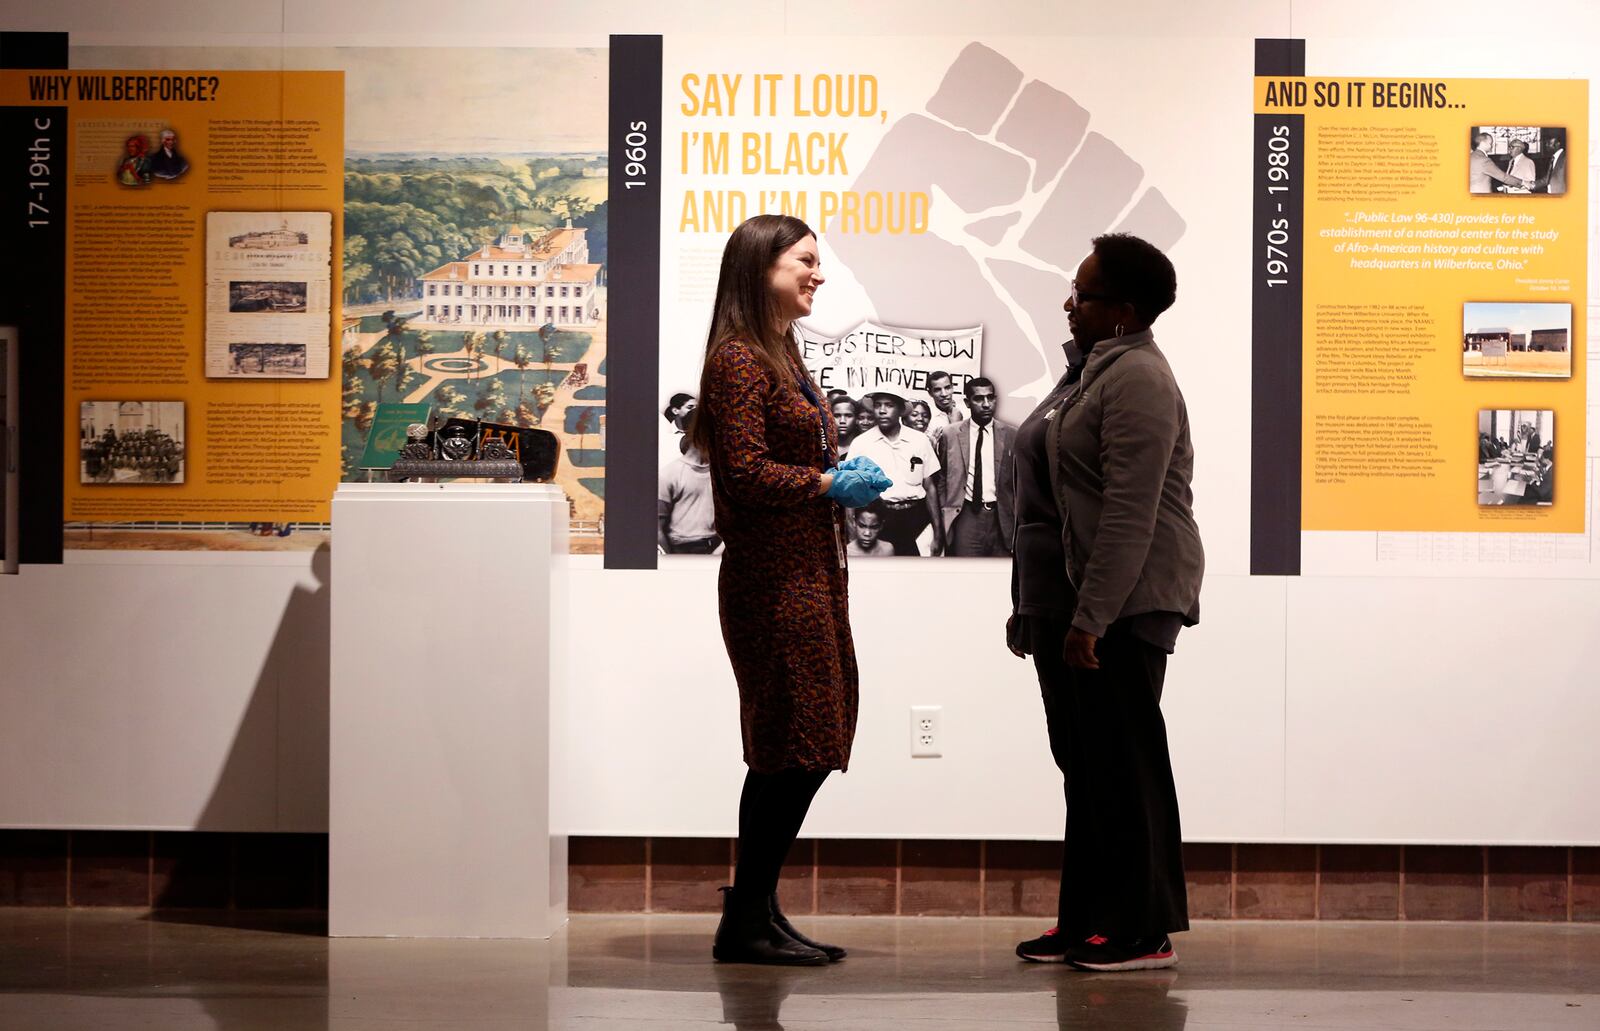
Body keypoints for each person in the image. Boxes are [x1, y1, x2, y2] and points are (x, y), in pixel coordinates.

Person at [687, 214, 890, 966]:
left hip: (807, 574)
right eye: (805, 260)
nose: (819, 273)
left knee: (796, 741)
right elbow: (742, 471)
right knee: (793, 744)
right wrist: (827, 481)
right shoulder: (739, 361)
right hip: (774, 581)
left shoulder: (778, 353)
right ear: (760, 267)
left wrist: (827, 485)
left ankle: (757, 912)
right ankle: (746, 917)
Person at [1007, 233, 1203, 971]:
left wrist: (1094, 616)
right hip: (1073, 602)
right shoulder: (1088, 373)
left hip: (1126, 600)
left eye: (1083, 294)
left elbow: (1130, 511)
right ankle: (1089, 917)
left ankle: (1142, 928)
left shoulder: (1140, 379)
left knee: (1124, 762)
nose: (1069, 300)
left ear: (1122, 310)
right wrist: (1037, 606)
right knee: (1085, 765)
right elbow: (1052, 504)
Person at [848, 387, 945, 556]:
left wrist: (938, 532)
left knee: (914, 573)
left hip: (916, 518)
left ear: (901, 410)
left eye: (889, 405)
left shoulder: (919, 440)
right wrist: (851, 533)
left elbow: (930, 487)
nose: (882, 411)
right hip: (881, 519)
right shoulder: (861, 443)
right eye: (878, 405)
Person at [932, 376, 1015, 557]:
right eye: (979, 399)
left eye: (990, 397)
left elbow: (1019, 481)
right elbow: (942, 479)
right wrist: (945, 513)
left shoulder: (1011, 434)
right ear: (967, 403)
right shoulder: (950, 434)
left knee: (1000, 577)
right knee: (966, 574)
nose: (986, 404)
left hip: (1001, 518)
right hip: (966, 514)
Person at [658, 443, 721, 554]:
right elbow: (657, 528)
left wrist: (721, 549)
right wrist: (670, 558)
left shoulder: (722, 473)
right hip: (681, 547)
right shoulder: (669, 474)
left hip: (716, 545)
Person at [660, 392, 696, 467]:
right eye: (690, 407)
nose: (695, 410)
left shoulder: (698, 433)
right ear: (675, 411)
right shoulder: (664, 431)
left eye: (697, 407)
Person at [925, 370, 965, 435]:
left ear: (952, 388)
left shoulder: (966, 411)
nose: (944, 394)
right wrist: (955, 425)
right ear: (930, 393)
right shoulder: (928, 419)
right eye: (937, 390)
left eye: (947, 388)